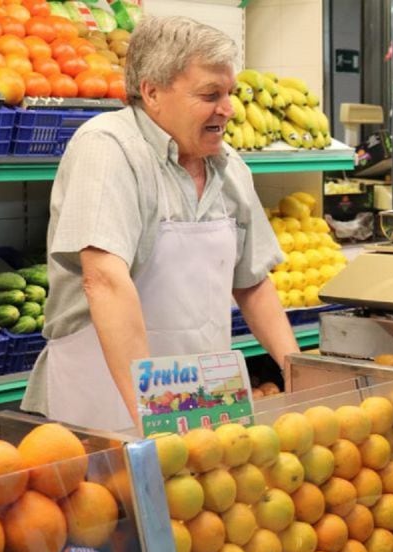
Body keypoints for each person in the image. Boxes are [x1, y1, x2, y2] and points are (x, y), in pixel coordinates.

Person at [22, 16, 298, 432]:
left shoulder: (230, 168)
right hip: (110, 399)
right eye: (210, 94)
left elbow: (253, 282)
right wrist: (156, 416)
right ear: (152, 91)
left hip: (202, 397)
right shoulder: (109, 149)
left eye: (230, 93)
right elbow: (105, 280)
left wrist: (299, 373)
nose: (228, 109)